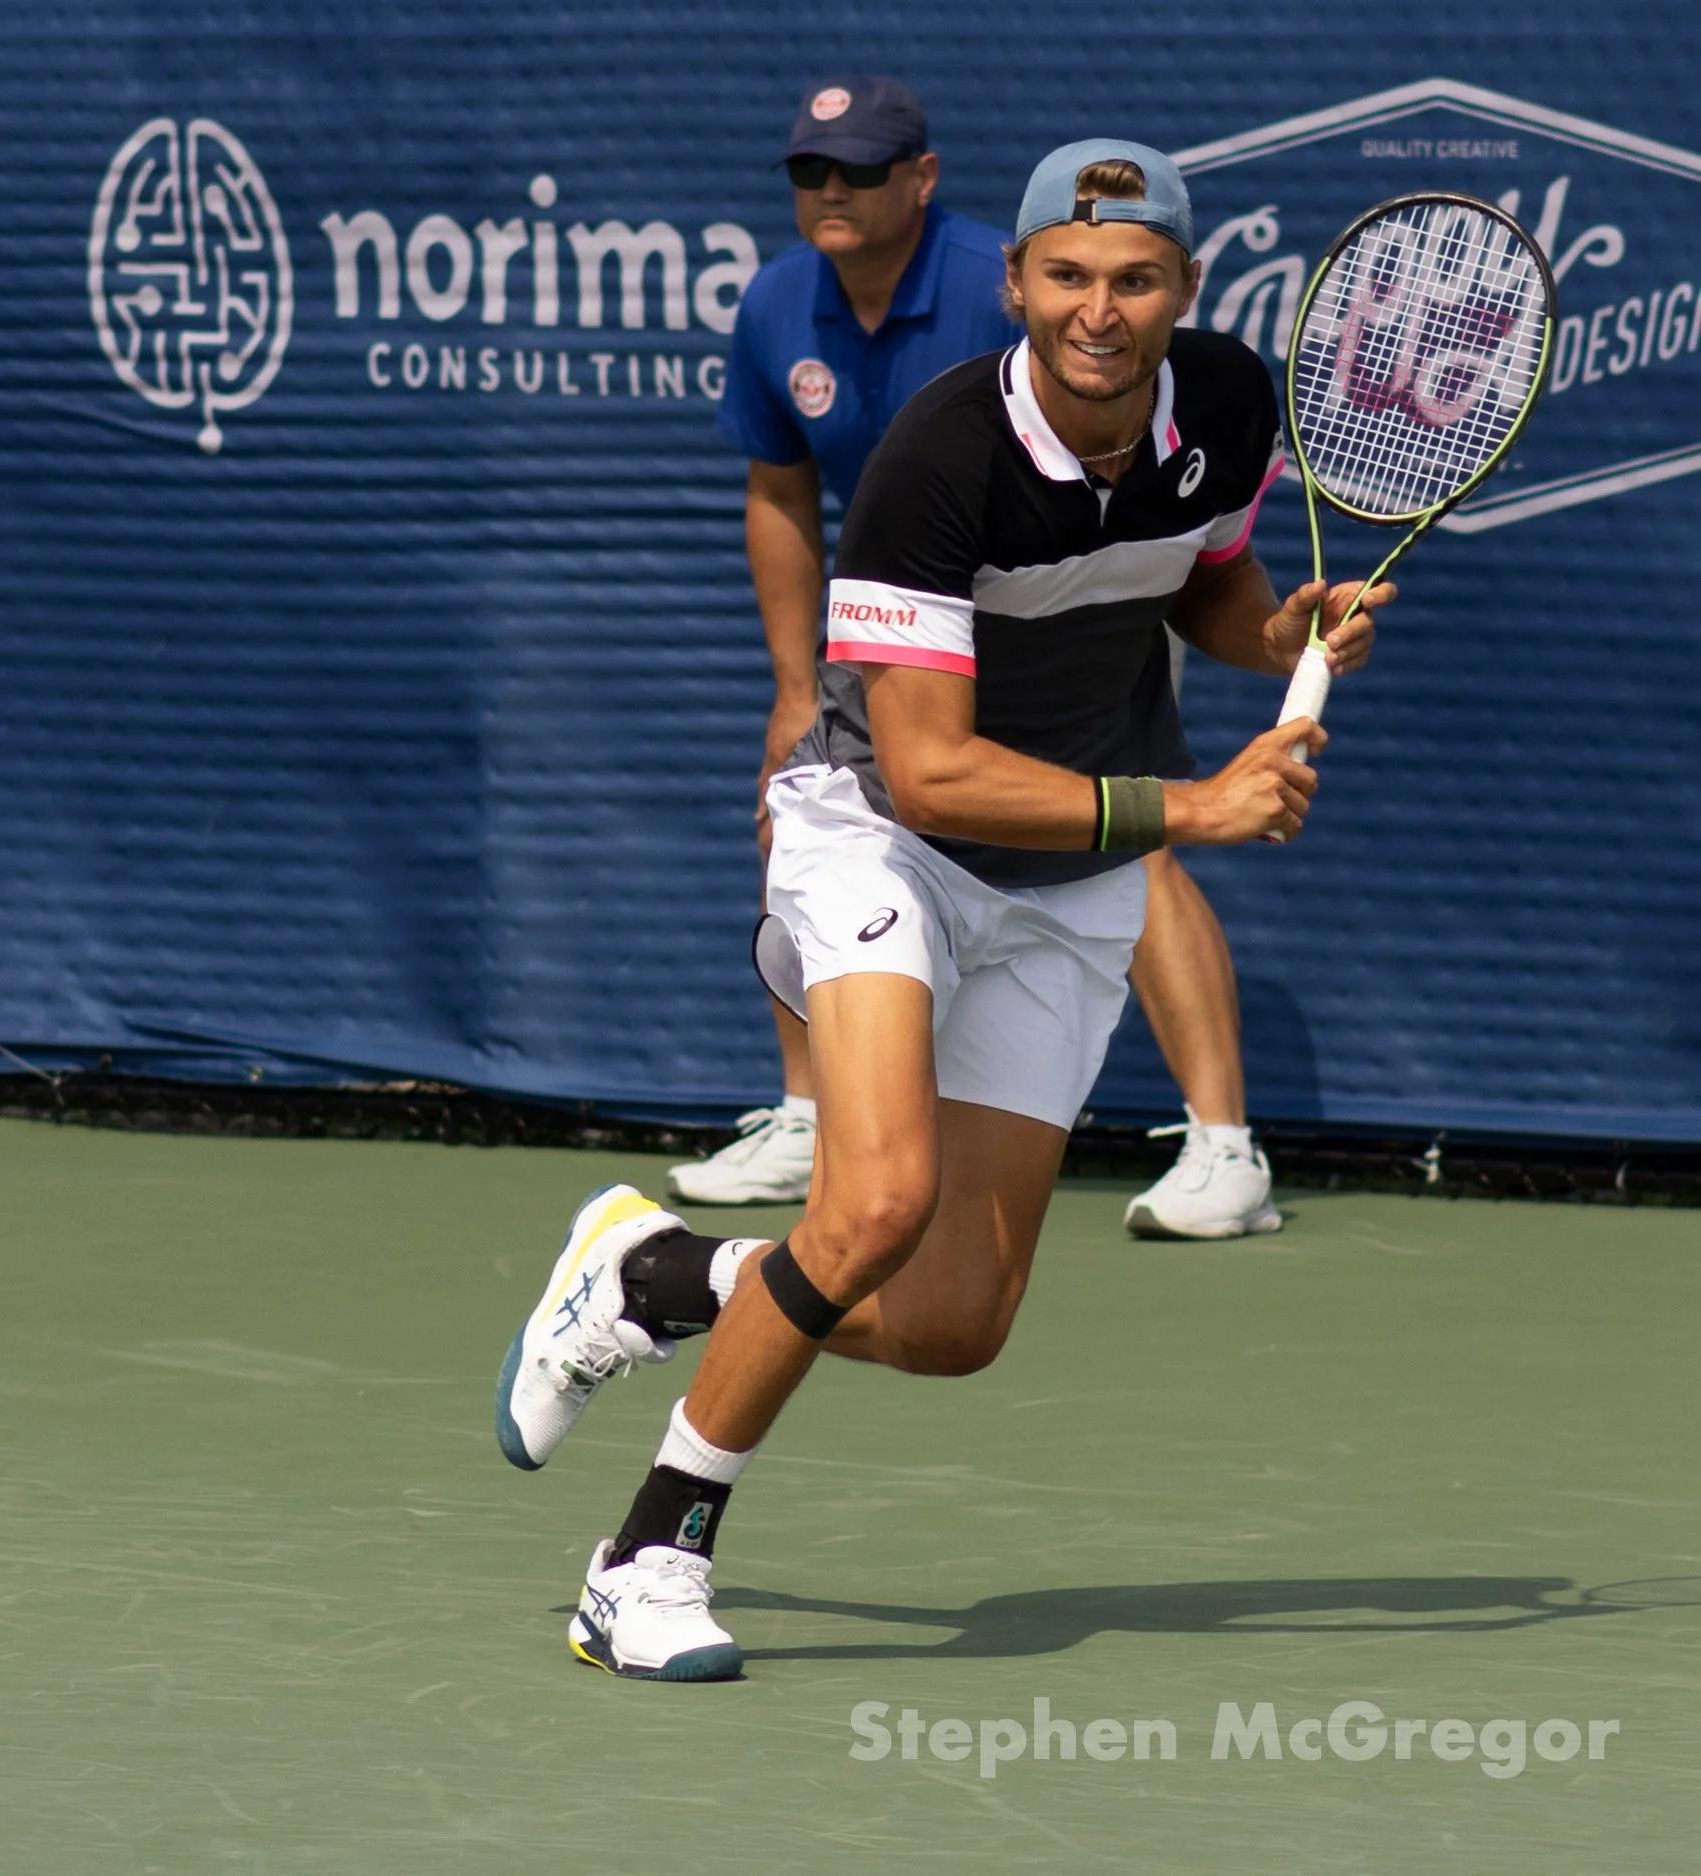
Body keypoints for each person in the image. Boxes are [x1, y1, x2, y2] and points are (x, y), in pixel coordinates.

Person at [493, 141, 1390, 1680]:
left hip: (1070, 886)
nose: (1097, 312)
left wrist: (1277, 630)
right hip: (886, 840)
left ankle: (660, 1274)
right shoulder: (938, 455)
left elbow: (1192, 583)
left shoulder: (1227, 404)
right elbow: (931, 773)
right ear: (1018, 280)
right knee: (875, 1204)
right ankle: (643, 1560)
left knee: (953, 1320)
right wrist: (1199, 809)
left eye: (1134, 280)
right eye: (1066, 276)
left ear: (1183, 289)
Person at [667, 82, 1287, 1241]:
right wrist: (796, 683)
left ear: (924, 179)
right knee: (818, 811)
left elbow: (1181, 545)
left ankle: (1223, 1144)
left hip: (1080, 596)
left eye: (857, 169)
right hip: (920, 612)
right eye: (811, 172)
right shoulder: (777, 306)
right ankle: (811, 1112)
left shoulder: (981, 301)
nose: (832, 192)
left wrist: (1274, 633)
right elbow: (780, 493)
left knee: (1124, 834)